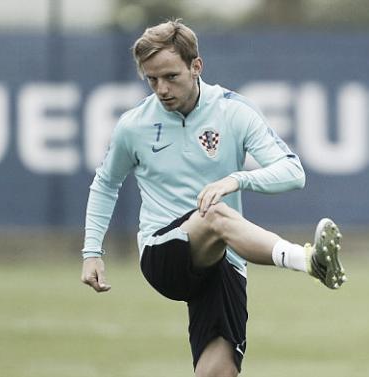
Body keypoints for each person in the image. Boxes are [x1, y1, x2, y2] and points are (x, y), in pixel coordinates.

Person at [80, 19, 347, 377]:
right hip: (164, 250)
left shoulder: (234, 112)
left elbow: (292, 172)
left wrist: (237, 179)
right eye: (151, 79)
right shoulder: (134, 125)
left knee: (218, 373)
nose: (161, 89)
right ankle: (309, 261)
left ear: (196, 67)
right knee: (215, 215)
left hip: (224, 262)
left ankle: (308, 263)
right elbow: (106, 184)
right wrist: (92, 252)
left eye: (171, 76)